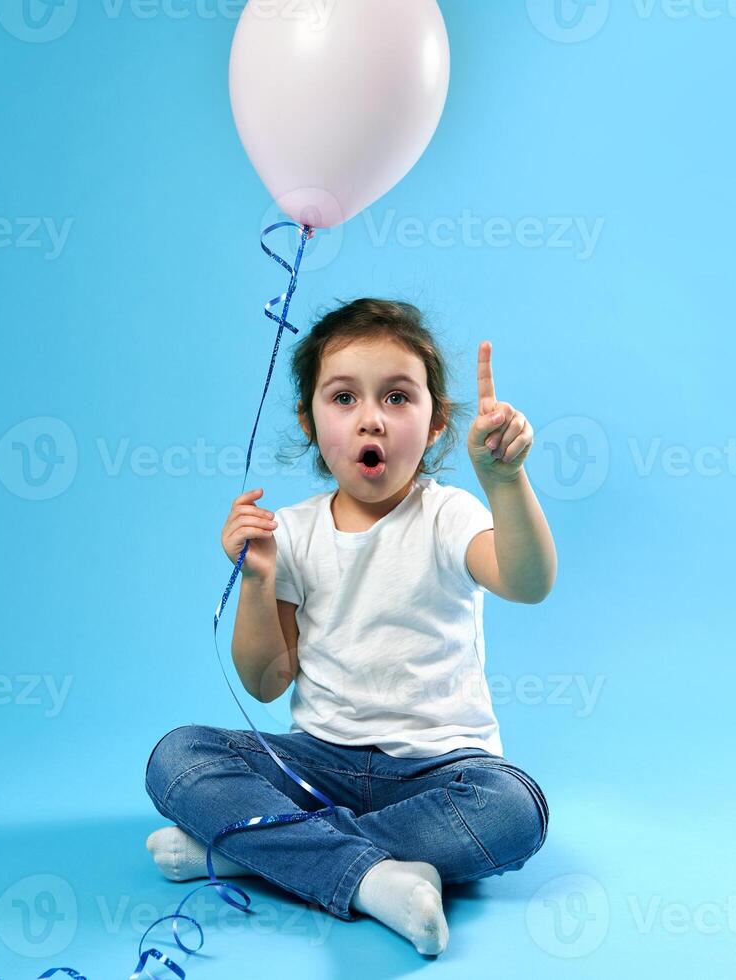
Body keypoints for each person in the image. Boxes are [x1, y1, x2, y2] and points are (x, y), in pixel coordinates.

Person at [143, 298, 557, 956]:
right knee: (176, 757)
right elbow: (265, 683)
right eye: (343, 398)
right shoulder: (297, 532)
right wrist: (256, 580)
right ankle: (374, 876)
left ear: (435, 420)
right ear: (309, 421)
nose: (371, 418)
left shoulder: (446, 513)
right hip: (317, 763)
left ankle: (257, 852)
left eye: (397, 397)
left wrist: (504, 482)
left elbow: (528, 582)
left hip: (439, 773)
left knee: (515, 809)